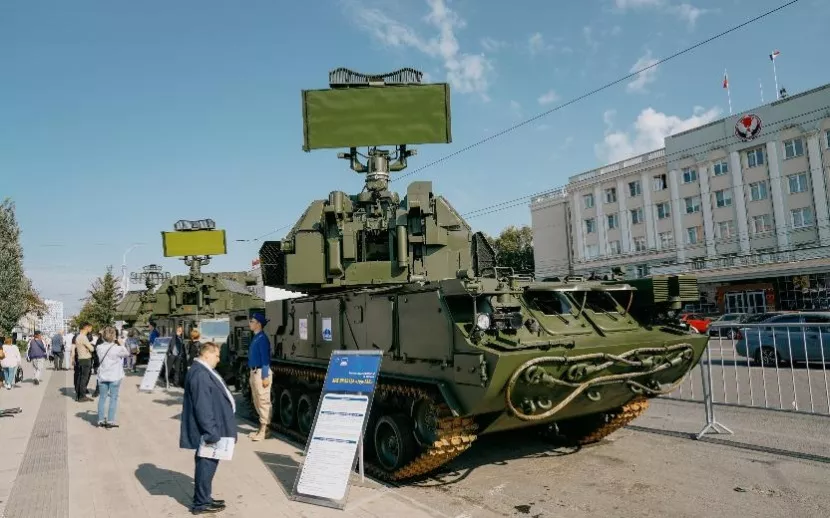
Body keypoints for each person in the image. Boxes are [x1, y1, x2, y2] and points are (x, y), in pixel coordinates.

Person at [180, 342, 236, 515]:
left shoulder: (202, 370)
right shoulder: (200, 374)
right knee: (206, 464)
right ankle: (201, 503)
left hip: (214, 426)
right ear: (207, 355)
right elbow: (202, 406)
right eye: (217, 356)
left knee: (208, 464)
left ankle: (205, 497)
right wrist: (211, 431)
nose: (219, 359)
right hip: (209, 430)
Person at [95, 326, 130, 428]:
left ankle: (101, 420)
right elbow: (127, 354)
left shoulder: (99, 347)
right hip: (115, 376)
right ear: (114, 336)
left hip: (102, 376)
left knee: (102, 398)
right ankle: (110, 420)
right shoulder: (117, 348)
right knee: (113, 398)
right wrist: (121, 343)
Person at [247, 312, 272, 441]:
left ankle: (264, 429)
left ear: (258, 324)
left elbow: (265, 359)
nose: (249, 324)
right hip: (254, 372)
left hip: (261, 372)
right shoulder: (256, 337)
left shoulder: (262, 339)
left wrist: (265, 376)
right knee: (257, 400)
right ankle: (261, 428)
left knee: (263, 400)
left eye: (252, 321)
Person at [74, 323, 95, 401]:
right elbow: (92, 349)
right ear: (86, 328)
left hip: (80, 358)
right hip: (86, 359)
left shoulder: (78, 337)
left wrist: (87, 347)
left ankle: (78, 395)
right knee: (84, 378)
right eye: (90, 328)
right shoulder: (83, 337)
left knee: (80, 377)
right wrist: (89, 347)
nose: (91, 330)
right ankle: (82, 396)